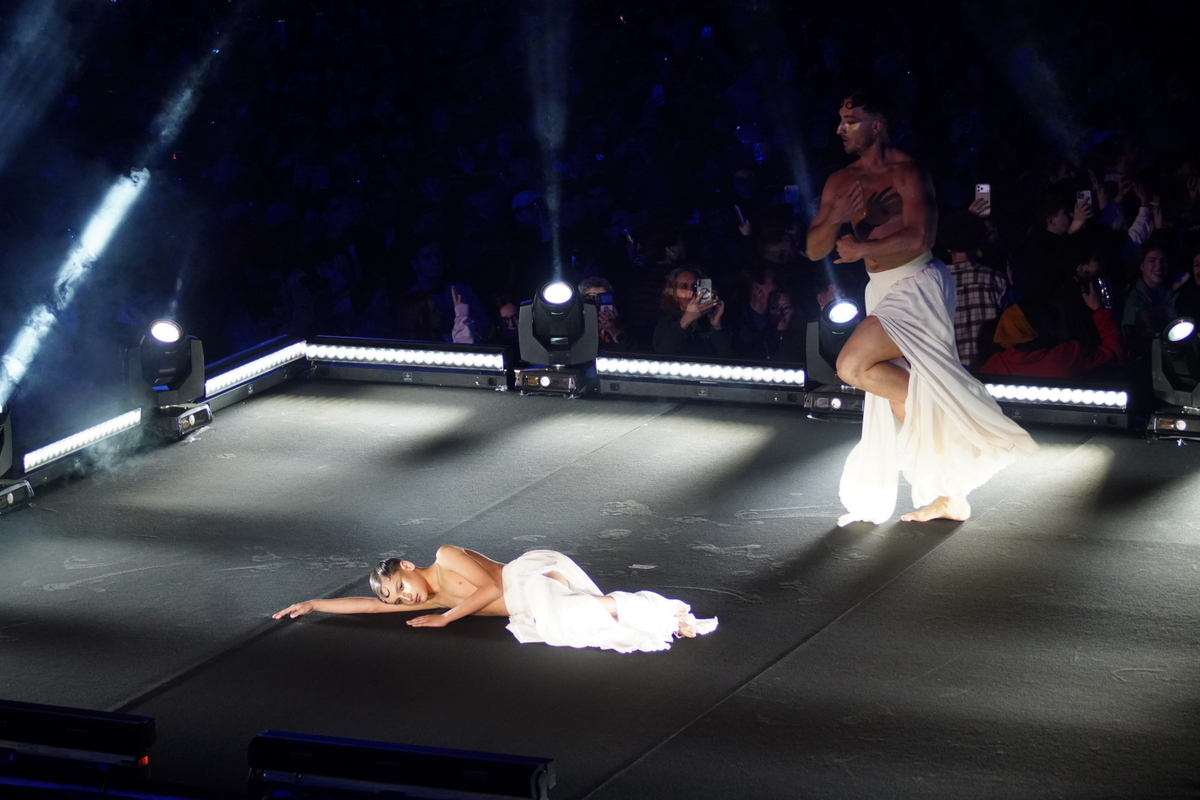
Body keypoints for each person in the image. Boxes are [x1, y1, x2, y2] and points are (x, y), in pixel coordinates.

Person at [805, 89, 1038, 526]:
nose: (840, 129)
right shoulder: (840, 181)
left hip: (919, 284)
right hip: (880, 288)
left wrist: (864, 247)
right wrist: (837, 215)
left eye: (850, 120)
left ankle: (949, 428)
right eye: (839, 119)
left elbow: (921, 238)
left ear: (877, 125)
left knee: (851, 366)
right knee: (899, 393)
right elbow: (814, 246)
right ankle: (949, 493)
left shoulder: (908, 172)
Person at [273, 545, 717, 654]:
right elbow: (367, 606)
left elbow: (491, 589)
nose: (402, 600)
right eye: (396, 601)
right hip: (528, 606)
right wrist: (315, 604)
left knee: (562, 622)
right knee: (570, 629)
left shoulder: (444, 558)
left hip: (531, 575)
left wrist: (447, 618)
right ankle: (668, 616)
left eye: (399, 589)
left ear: (405, 566)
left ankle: (670, 610)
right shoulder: (426, 600)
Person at [652, 266, 733, 357]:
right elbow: (662, 349)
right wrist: (686, 320)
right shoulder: (667, 321)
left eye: (696, 286)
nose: (691, 291)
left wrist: (717, 326)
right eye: (684, 287)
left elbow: (730, 355)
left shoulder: (714, 318)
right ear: (674, 296)